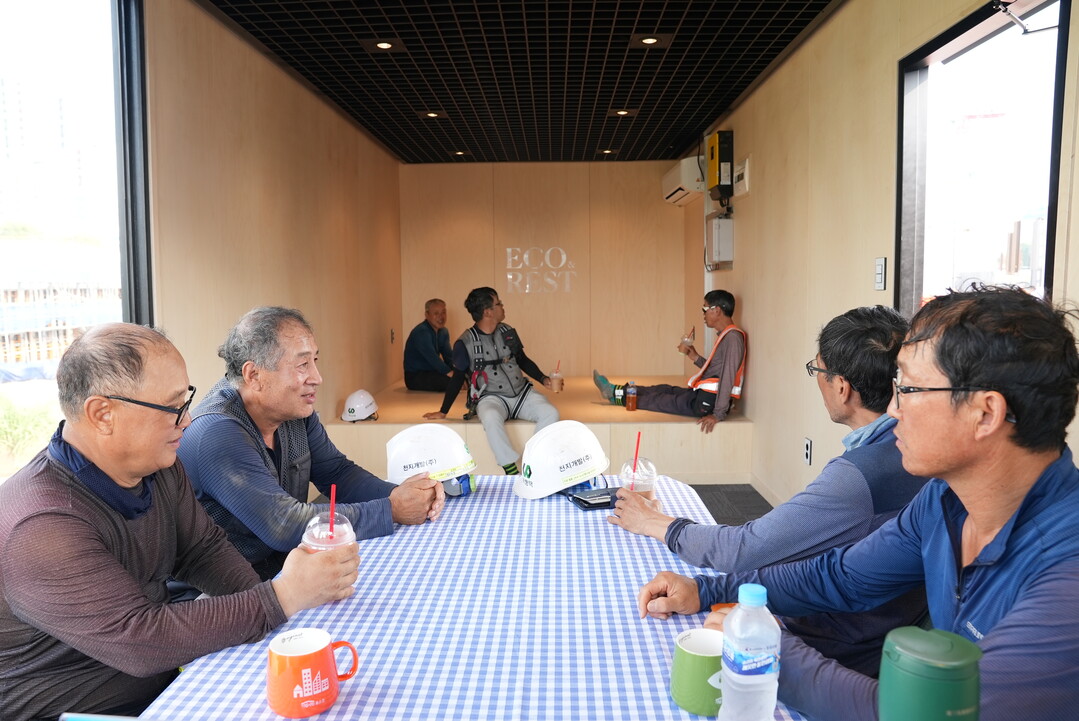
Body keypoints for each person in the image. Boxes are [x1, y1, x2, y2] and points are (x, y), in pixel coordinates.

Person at [637, 286, 1079, 721]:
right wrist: (712, 591)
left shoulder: (1066, 582)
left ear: (985, 413)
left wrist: (769, 651)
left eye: (909, 389)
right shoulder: (945, 499)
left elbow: (926, 715)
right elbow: (843, 576)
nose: (893, 410)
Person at [0, 324, 359, 721]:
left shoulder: (158, 466)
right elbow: (139, 640)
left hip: (165, 685)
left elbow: (203, 550)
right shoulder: (42, 524)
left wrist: (275, 621)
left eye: (185, 400)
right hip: (80, 710)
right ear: (103, 414)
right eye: (173, 407)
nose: (187, 420)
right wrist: (281, 596)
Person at [610, 306, 928, 675]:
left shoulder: (864, 473)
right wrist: (709, 590)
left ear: (841, 387)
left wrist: (653, 522)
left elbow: (744, 550)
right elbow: (830, 572)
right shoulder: (909, 456)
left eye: (817, 370)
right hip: (878, 635)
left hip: (841, 652)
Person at [179, 307, 444, 580]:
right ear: (254, 375)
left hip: (282, 569)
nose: (317, 378)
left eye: (315, 361)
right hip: (219, 592)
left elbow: (338, 473)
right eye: (302, 365)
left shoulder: (294, 412)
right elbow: (283, 523)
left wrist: (404, 495)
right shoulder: (216, 431)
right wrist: (391, 509)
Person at [423, 287, 559, 475]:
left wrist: (543, 379)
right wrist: (443, 411)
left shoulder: (508, 331)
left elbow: (522, 360)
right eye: (498, 303)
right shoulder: (465, 343)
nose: (502, 306)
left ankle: (532, 462)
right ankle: (511, 470)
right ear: (488, 312)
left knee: (550, 413)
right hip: (491, 397)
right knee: (490, 418)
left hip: (522, 393)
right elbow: (457, 378)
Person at [593, 289, 746, 433]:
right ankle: (615, 389)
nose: (703, 314)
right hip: (704, 396)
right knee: (664, 389)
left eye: (704, 309)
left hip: (708, 403)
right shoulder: (727, 336)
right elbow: (716, 370)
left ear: (717, 310)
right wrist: (695, 357)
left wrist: (718, 414)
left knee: (659, 400)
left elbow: (727, 377)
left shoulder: (732, 338)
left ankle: (615, 396)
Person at [403, 298, 454, 392]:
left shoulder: (443, 331)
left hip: (433, 372)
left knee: (463, 376)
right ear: (427, 315)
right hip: (415, 375)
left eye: (443, 312)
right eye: (436, 313)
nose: (441, 317)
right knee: (450, 382)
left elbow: (449, 356)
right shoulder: (421, 332)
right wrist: (451, 374)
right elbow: (433, 358)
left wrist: (458, 371)